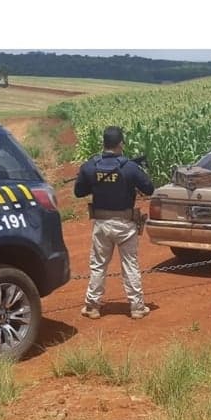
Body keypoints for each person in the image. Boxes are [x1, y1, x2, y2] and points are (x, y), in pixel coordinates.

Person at [74, 126, 154, 319]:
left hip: (101, 224)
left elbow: (79, 192)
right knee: (130, 265)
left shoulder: (91, 166)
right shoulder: (130, 167)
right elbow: (149, 188)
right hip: (125, 224)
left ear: (103, 143)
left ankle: (92, 306)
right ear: (120, 144)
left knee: (98, 265)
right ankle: (136, 307)